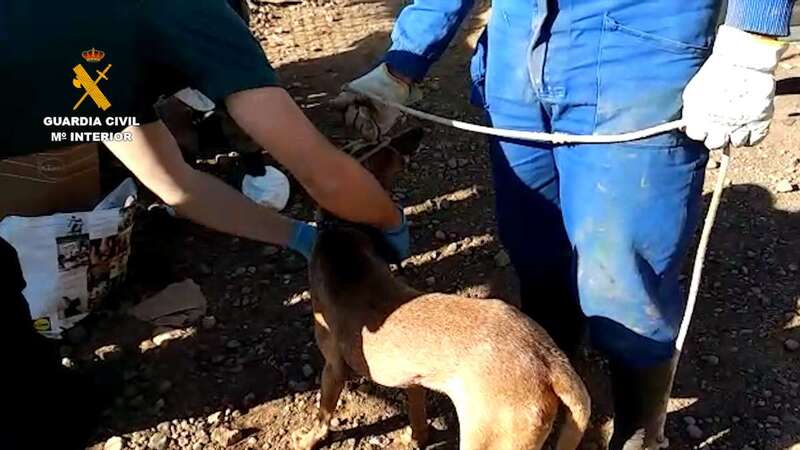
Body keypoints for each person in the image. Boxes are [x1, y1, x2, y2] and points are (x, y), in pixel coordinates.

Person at [333, 0, 795, 448]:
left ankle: (637, 433)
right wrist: (402, 63)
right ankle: (546, 388)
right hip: (518, 49)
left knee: (623, 279)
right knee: (534, 247)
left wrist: (752, 38)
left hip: (641, 48)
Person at [1, 0, 408, 448]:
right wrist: (389, 220)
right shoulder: (195, 11)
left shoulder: (101, 46)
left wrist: (298, 237)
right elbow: (321, 173)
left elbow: (176, 186)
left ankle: (45, 403)